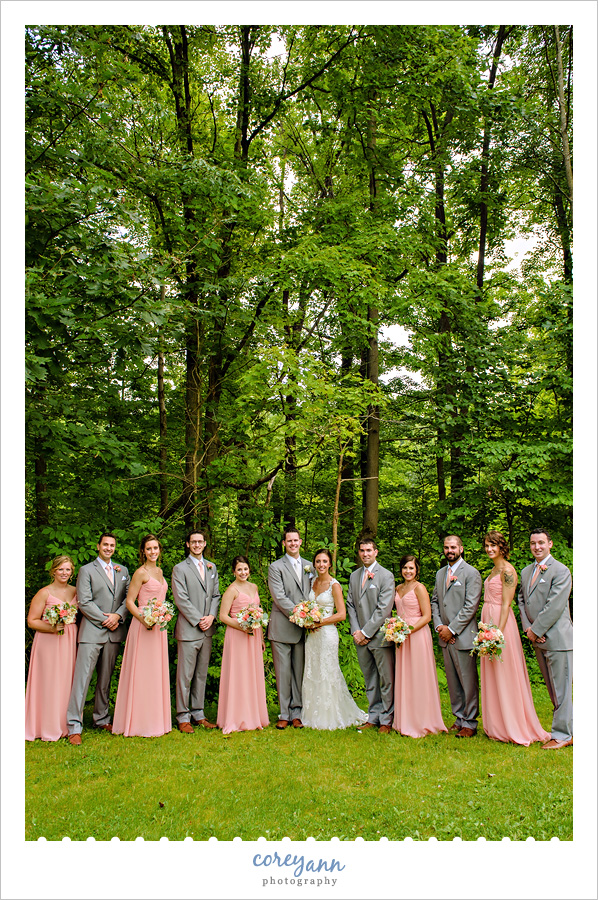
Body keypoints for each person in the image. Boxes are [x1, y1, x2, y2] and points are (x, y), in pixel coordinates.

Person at [480, 531, 550, 745]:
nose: (490, 549)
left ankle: (513, 724)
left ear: (502, 547)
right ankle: (497, 724)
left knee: (505, 672)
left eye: (494, 545)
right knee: (492, 672)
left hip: (501, 624)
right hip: (488, 621)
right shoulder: (493, 569)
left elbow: (505, 604)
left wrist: (496, 633)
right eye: (487, 545)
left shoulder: (508, 570)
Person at [66, 533, 130, 745]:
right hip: (92, 631)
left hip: (114, 633)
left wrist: (118, 616)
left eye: (112, 545)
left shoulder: (123, 571)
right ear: (98, 546)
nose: (109, 548)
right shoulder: (86, 571)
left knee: (105, 678)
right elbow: (84, 602)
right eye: (105, 545)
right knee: (82, 679)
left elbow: (127, 599)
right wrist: (105, 619)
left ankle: (101, 718)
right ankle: (74, 725)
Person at [517, 528, 573, 750]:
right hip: (536, 638)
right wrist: (528, 628)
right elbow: (522, 601)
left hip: (558, 639)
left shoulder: (561, 571)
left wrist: (537, 629)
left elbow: (555, 605)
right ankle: (567, 729)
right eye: (533, 543)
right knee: (552, 689)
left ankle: (562, 735)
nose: (537, 547)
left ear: (550, 544)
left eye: (541, 542)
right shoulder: (525, 571)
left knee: (561, 689)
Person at [112, 535, 172, 738]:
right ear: (143, 551)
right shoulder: (140, 573)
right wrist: (143, 618)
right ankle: (138, 721)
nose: (153, 552)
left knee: (155, 672)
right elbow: (130, 602)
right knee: (142, 672)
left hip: (158, 628)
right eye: (149, 549)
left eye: (156, 548)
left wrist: (162, 615)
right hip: (143, 626)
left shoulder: (160, 572)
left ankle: (156, 719)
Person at [301, 548, 368, 730]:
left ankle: (329, 715)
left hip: (327, 634)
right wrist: (306, 620)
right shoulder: (312, 582)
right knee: (313, 670)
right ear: (314, 564)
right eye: (318, 561)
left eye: (324, 561)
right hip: (312, 636)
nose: (321, 565)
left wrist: (319, 622)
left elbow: (341, 614)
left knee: (327, 671)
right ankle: (312, 712)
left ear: (330, 563)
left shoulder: (334, 585)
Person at [431, 534, 482, 738]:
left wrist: (451, 629)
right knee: (453, 681)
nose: (449, 550)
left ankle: (470, 722)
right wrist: (439, 627)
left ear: (461, 548)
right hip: (445, 636)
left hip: (462, 636)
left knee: (468, 681)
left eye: (453, 547)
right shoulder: (440, 573)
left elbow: (471, 606)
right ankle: (459, 717)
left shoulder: (471, 573)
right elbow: (435, 601)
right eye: (446, 547)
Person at [392, 554, 447, 738]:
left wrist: (407, 630)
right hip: (401, 636)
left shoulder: (420, 588)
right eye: (405, 568)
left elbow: (427, 617)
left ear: (417, 570)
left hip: (416, 634)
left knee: (418, 676)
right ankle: (405, 719)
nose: (408, 571)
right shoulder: (398, 588)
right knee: (405, 676)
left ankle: (423, 720)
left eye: (411, 568)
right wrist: (396, 629)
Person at [171, 530, 220, 732]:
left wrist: (211, 616)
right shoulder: (180, 569)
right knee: (185, 675)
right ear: (187, 544)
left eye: (200, 541)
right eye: (193, 542)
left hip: (207, 629)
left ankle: (198, 713)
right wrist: (198, 619)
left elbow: (216, 594)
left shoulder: (211, 567)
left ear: (205, 543)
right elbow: (180, 598)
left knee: (201, 674)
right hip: (189, 629)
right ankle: (183, 716)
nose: (197, 544)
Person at [26, 555, 78, 741]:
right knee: (49, 681)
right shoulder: (44, 593)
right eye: (61, 569)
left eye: (68, 570)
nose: (64, 573)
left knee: (66, 680)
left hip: (69, 639)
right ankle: (45, 725)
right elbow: (31, 621)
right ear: (53, 571)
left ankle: (66, 724)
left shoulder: (75, 591)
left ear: (72, 572)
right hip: (49, 640)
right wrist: (52, 627)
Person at [346, 537, 395, 733]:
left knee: (385, 680)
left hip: (379, 637)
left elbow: (384, 609)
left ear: (376, 552)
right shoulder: (354, 576)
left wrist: (366, 632)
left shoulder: (386, 576)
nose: (365, 553)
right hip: (360, 638)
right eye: (362, 550)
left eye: (369, 550)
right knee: (370, 679)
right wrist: (356, 631)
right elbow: (350, 604)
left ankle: (386, 719)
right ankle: (373, 716)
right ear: (358, 553)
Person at [216, 556, 269, 734]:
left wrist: (260, 638)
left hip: (253, 636)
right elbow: (223, 616)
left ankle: (254, 714)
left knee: (251, 674)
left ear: (249, 570)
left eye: (245, 569)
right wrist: (242, 626)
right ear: (234, 572)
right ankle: (236, 716)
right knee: (238, 675)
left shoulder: (254, 587)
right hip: (237, 635)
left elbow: (258, 613)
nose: (243, 572)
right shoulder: (231, 590)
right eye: (239, 570)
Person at [267, 527, 312, 729]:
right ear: (284, 543)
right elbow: (279, 596)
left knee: (299, 673)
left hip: (304, 629)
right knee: (283, 672)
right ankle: (284, 713)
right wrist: (300, 615)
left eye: (296, 540)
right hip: (283, 626)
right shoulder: (275, 567)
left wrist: (312, 616)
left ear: (301, 542)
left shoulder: (310, 566)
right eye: (289, 541)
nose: (293, 543)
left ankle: (297, 712)